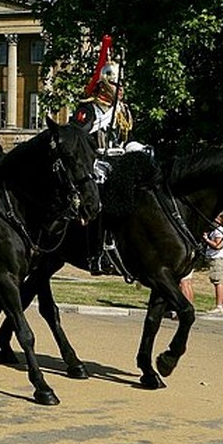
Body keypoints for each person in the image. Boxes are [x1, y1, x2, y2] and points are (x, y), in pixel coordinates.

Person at [70, 34, 140, 276]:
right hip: (95, 165)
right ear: (103, 84)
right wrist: (96, 158)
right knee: (99, 201)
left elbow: (126, 139)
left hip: (119, 162)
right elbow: (76, 140)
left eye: (122, 85)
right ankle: (97, 252)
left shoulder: (123, 110)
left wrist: (136, 148)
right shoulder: (88, 109)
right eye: (116, 85)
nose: (121, 90)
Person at [202, 211, 223, 314]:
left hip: (217, 258)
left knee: (217, 282)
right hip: (219, 258)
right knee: (220, 281)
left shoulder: (219, 231)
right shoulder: (221, 230)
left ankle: (219, 306)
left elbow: (217, 245)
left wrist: (206, 239)